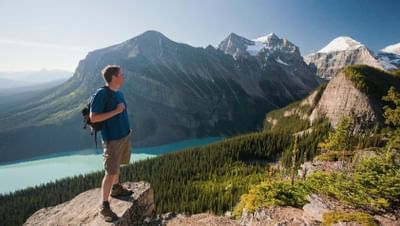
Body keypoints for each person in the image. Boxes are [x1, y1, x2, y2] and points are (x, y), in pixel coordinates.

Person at [90, 65, 133, 222]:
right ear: (114, 77)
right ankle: (104, 205)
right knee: (110, 172)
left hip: (124, 136)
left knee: (116, 166)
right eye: (121, 74)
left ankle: (116, 188)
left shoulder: (119, 93)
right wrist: (116, 111)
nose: (123, 76)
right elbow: (94, 117)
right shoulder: (102, 94)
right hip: (112, 139)